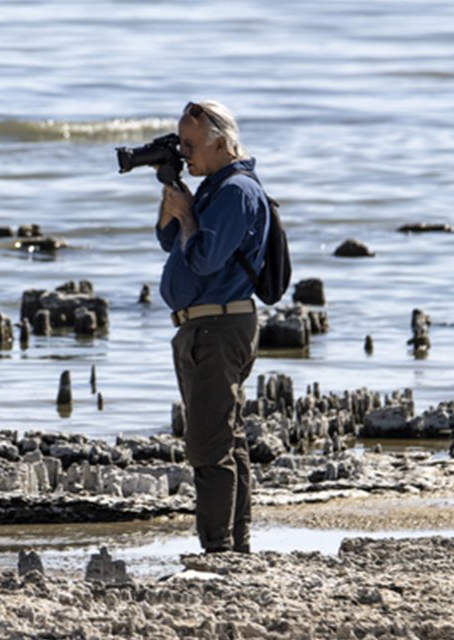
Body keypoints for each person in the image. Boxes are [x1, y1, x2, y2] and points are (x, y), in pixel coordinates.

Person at [155, 100, 269, 554]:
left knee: (209, 444)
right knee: (227, 437)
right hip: (207, 326)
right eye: (180, 145)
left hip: (217, 329)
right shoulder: (215, 188)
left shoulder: (236, 192)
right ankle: (234, 544)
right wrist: (173, 198)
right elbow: (170, 240)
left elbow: (202, 258)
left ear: (220, 143)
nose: (184, 154)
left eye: (190, 145)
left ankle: (219, 548)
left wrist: (186, 215)